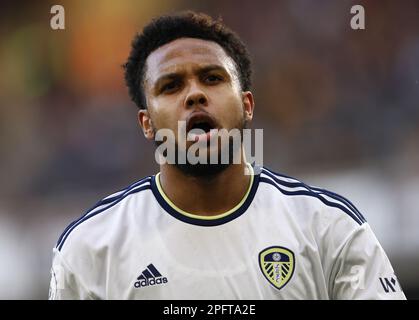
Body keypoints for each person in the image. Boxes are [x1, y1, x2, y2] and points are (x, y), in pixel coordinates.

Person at [49, 11, 406, 300]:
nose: (194, 95)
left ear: (247, 105)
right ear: (147, 123)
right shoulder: (90, 248)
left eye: (212, 78)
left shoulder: (329, 228)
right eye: (171, 86)